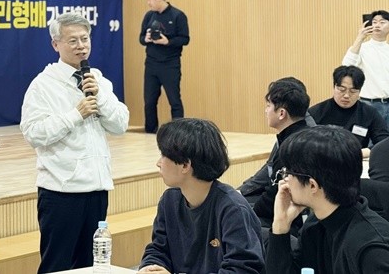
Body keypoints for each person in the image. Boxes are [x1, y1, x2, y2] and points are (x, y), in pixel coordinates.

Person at [20, 12, 129, 273]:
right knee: (57, 265)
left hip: (97, 188)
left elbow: (120, 124)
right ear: (55, 44)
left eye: (85, 39)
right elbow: (33, 133)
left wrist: (100, 98)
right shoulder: (43, 85)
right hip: (61, 192)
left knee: (91, 265)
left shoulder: (98, 80)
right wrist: (75, 115)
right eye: (73, 41)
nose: (81, 46)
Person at [138, 118, 265, 274]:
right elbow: (158, 249)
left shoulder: (233, 209)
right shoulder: (169, 200)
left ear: (185, 165)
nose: (158, 163)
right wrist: (150, 267)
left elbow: (241, 270)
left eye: (164, 155)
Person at [266, 126, 389, 273]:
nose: (284, 180)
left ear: (312, 185)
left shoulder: (372, 250)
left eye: (288, 172)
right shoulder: (315, 225)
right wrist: (280, 225)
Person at [238, 77, 313, 206]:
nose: (266, 111)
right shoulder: (297, 134)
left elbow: (272, 198)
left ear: (281, 113)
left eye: (268, 106)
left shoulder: (293, 145)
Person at [139, 0, 189, 133]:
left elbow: (185, 39)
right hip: (151, 64)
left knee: (174, 101)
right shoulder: (149, 16)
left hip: (170, 64)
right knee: (149, 101)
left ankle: (178, 132)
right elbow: (141, 38)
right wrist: (146, 39)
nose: (148, 2)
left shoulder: (177, 15)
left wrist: (168, 42)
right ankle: (150, 131)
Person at [308, 65, 389, 157]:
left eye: (353, 91)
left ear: (360, 91)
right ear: (334, 87)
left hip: (356, 159)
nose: (346, 95)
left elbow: (384, 143)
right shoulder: (317, 112)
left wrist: (359, 153)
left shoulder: (369, 113)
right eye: (342, 90)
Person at [342, 10, 389, 127]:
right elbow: (346, 67)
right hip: (368, 103)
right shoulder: (361, 48)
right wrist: (360, 38)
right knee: (367, 137)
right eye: (374, 22)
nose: (377, 25)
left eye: (382, 22)